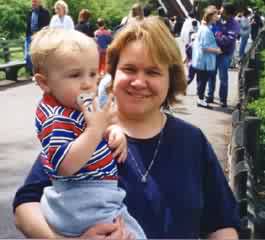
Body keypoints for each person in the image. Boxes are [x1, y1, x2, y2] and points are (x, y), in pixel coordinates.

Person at [13, 16, 240, 239]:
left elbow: (222, 223)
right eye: (129, 69)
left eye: (153, 72)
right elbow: (25, 206)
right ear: (112, 74)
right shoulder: (81, 129)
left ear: (170, 78)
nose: (139, 82)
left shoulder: (191, 140)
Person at [27, 27, 145, 238]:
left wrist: (112, 129)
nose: (87, 83)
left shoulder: (74, 105)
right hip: (83, 199)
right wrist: (95, 130)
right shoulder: (57, 118)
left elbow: (94, 124)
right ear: (44, 82)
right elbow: (66, 165)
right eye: (75, 75)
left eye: (92, 73)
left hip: (95, 195)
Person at [206, 3, 240, 107]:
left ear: (228, 13)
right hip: (214, 52)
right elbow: (208, 29)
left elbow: (227, 40)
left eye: (222, 9)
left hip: (225, 54)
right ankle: (209, 96)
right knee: (211, 74)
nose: (220, 10)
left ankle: (223, 99)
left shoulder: (234, 24)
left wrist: (216, 35)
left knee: (223, 77)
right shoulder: (217, 20)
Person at [192, 6, 222, 108]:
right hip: (204, 61)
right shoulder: (206, 30)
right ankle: (200, 100)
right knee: (203, 81)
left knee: (201, 80)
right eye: (215, 15)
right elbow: (204, 47)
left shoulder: (204, 28)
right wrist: (216, 50)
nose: (217, 17)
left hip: (202, 60)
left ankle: (200, 99)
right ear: (210, 16)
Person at [24, 0, 50, 75]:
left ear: (39, 2)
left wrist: (42, 34)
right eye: (32, 2)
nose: (33, 3)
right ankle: (34, 72)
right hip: (29, 37)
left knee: (40, 56)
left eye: (35, 1)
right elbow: (28, 25)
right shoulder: (29, 12)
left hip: (39, 37)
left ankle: (37, 74)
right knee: (27, 56)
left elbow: (47, 26)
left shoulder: (45, 12)